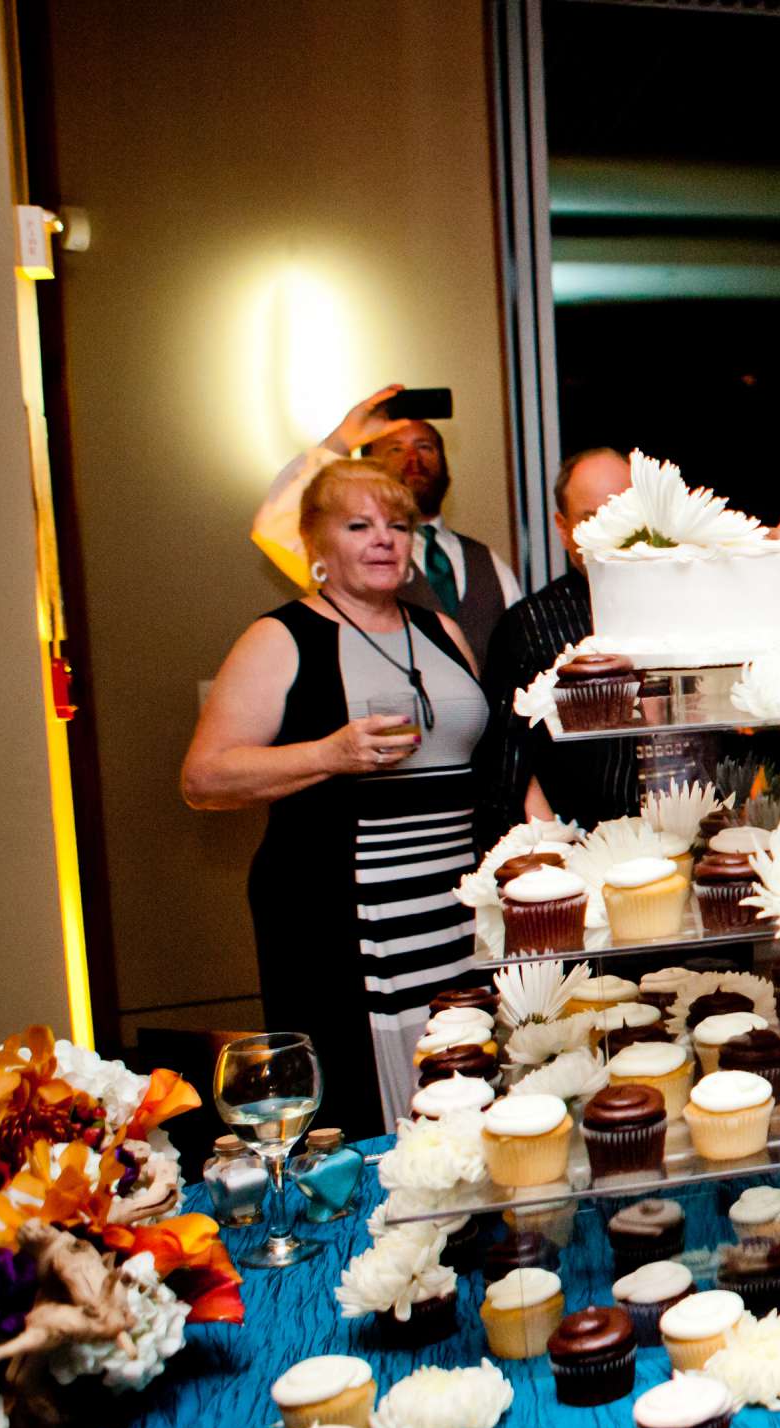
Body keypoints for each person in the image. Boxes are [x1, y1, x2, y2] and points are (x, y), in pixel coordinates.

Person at [184, 460, 490, 1135]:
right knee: (371, 1116)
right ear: (316, 546)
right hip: (351, 922)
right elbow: (203, 778)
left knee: (463, 1089)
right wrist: (332, 754)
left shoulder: (442, 632)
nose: (383, 539)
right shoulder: (281, 638)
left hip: (453, 915)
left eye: (397, 525)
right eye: (359, 525)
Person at [250, 385, 522, 660]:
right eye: (395, 449)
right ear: (369, 465)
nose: (413, 459)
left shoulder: (488, 562)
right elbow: (276, 522)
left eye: (425, 447)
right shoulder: (348, 554)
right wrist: (341, 441)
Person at [476, 446, 644, 844]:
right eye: (592, 518)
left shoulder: (688, 608)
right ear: (563, 527)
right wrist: (554, 851)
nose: (612, 532)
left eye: (624, 513)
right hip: (581, 849)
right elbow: (507, 766)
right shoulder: (528, 626)